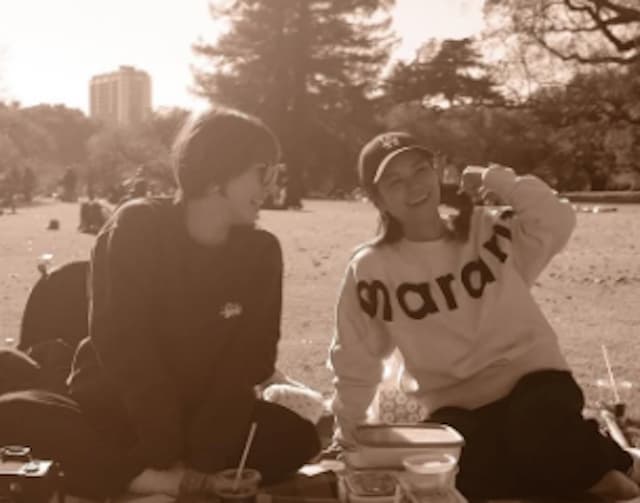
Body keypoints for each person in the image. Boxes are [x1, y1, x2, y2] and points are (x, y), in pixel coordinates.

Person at [0, 107, 320, 500]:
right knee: (14, 414)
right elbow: (122, 343)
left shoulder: (261, 252)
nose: (272, 185)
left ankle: (134, 476)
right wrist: (164, 443)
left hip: (206, 414)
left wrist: (204, 452)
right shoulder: (136, 226)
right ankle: (154, 478)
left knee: (297, 438)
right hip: (119, 406)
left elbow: (251, 360)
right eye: (263, 172)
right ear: (218, 174)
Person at [328, 131, 640, 500]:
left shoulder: (488, 228)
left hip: (534, 382)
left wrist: (495, 179)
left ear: (437, 170)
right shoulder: (370, 268)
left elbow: (556, 219)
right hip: (457, 407)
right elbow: (355, 358)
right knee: (459, 475)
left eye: (420, 170)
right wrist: (347, 431)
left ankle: (610, 471)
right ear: (377, 199)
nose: (413, 186)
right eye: (394, 181)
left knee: (537, 428)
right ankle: (592, 462)